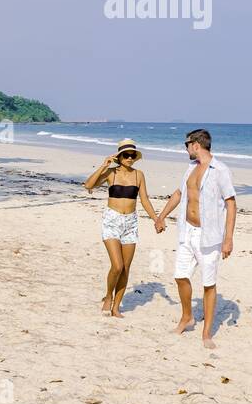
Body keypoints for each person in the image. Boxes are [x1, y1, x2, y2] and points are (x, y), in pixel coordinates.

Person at [155, 128, 236, 349]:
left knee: (208, 284)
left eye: (186, 145)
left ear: (196, 145)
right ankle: (187, 317)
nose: (186, 149)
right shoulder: (190, 168)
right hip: (187, 231)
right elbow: (180, 194)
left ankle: (206, 332)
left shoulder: (220, 170)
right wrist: (161, 216)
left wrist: (228, 239)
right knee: (180, 276)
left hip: (208, 236)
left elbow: (231, 203)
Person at [83, 139, 161, 318]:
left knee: (126, 268)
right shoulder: (111, 173)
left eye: (132, 155)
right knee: (117, 266)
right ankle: (108, 296)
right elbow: (89, 185)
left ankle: (117, 306)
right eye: (126, 155)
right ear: (119, 156)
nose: (130, 158)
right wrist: (104, 166)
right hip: (112, 220)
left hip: (131, 223)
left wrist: (156, 219)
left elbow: (145, 199)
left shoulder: (139, 175)